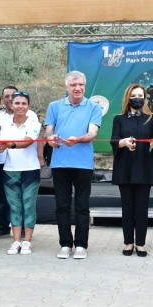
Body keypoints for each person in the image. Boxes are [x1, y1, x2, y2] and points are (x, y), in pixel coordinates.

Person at [45, 70, 102, 260]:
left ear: (84, 86)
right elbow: (49, 131)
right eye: (73, 85)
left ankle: (81, 245)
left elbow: (92, 133)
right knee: (62, 205)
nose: (77, 88)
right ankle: (65, 244)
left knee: (82, 205)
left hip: (83, 164)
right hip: (60, 163)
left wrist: (77, 139)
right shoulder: (54, 106)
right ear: (67, 87)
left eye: (81, 85)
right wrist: (51, 139)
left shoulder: (94, 107)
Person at [110, 84, 153, 257]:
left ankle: (140, 243)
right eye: (134, 95)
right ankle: (128, 243)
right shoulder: (119, 118)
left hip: (145, 169)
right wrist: (123, 142)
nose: (137, 98)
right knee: (127, 208)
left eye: (140, 95)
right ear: (128, 97)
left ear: (145, 97)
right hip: (124, 169)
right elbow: (113, 141)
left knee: (141, 209)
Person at [0, 91, 41, 255]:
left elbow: (28, 142)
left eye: (24, 103)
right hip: (10, 170)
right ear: (11, 105)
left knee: (28, 205)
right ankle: (16, 241)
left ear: (28, 106)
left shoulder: (34, 123)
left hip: (30, 170)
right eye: (17, 103)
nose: (20, 106)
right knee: (14, 206)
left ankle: (27, 242)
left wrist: (10, 145)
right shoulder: (4, 124)